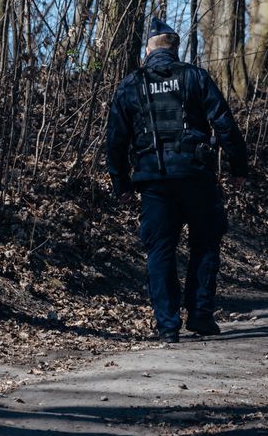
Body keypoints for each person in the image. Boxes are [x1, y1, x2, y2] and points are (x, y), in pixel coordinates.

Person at [105, 18, 249, 343]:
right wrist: (238, 168)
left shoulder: (131, 84)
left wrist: (121, 184)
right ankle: (199, 314)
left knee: (160, 250)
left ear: (147, 50)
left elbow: (115, 139)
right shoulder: (195, 77)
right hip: (196, 175)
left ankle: (167, 325)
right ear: (175, 48)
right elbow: (224, 124)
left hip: (154, 181)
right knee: (206, 241)